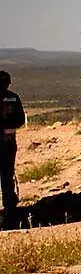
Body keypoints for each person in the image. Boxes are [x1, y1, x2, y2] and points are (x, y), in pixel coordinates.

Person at [1, 71, 25, 229]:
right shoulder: (13, 98)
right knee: (7, 176)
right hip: (8, 143)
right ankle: (10, 211)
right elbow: (21, 120)